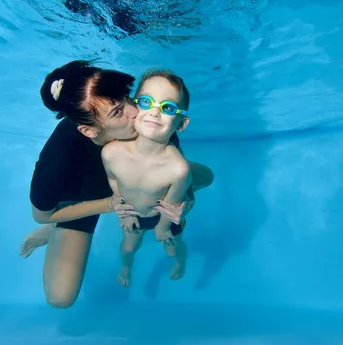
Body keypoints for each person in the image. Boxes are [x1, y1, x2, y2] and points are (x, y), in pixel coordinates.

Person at [20, 60, 214, 308]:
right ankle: (57, 230)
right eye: (117, 113)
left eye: (127, 99)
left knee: (206, 177)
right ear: (89, 130)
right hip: (86, 198)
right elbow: (40, 214)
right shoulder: (59, 156)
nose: (135, 113)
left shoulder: (150, 120)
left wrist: (185, 201)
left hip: (134, 183)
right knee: (61, 298)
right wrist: (109, 204)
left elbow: (176, 175)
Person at [101, 69, 192, 287]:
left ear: (181, 124)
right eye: (146, 101)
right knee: (128, 247)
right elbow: (114, 181)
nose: (154, 112)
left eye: (167, 107)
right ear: (134, 105)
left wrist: (162, 227)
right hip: (134, 214)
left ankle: (180, 262)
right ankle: (125, 267)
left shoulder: (178, 169)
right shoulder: (111, 152)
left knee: (173, 249)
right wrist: (124, 213)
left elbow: (173, 204)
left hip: (163, 218)